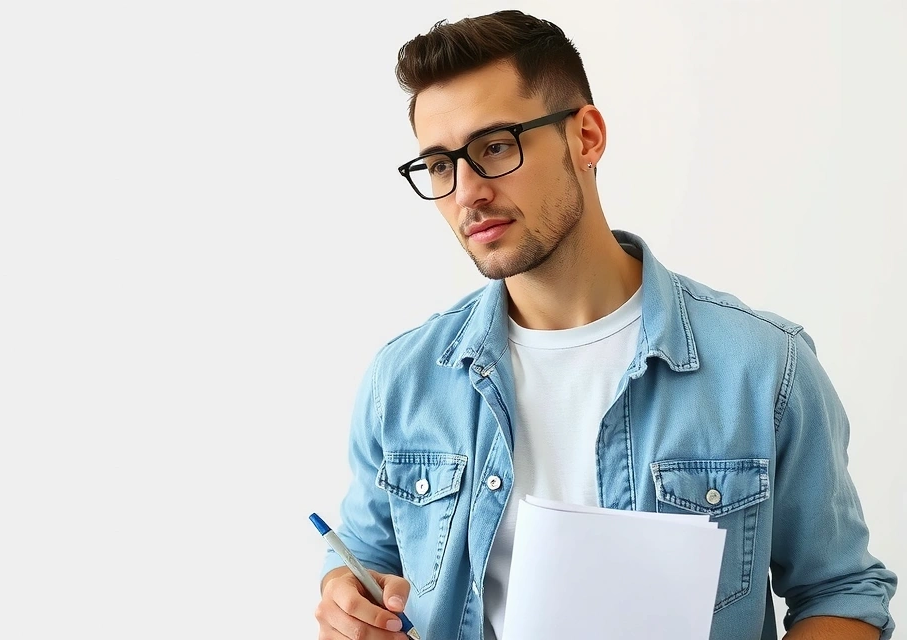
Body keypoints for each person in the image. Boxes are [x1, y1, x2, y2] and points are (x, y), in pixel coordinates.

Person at [314, 9, 897, 640]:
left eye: (495, 148)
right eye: (438, 164)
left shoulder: (764, 370)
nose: (466, 192)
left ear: (586, 138)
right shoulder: (400, 382)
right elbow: (364, 560)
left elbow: (841, 591)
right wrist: (345, 599)